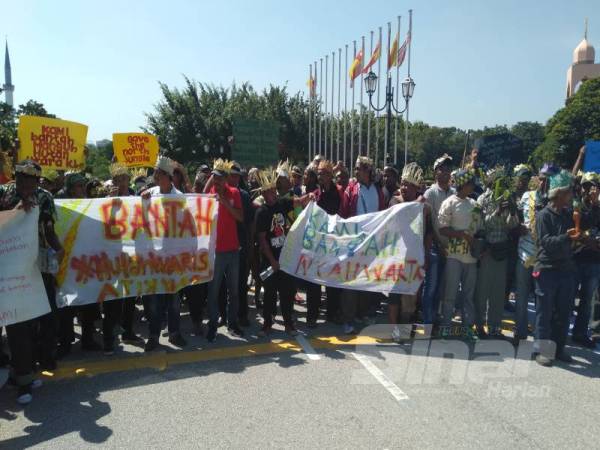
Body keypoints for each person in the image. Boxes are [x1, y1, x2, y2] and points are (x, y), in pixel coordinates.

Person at [0, 160, 64, 404]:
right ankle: (23, 381)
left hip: (37, 269)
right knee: (17, 324)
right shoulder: (3, 194)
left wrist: (59, 250)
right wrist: (16, 210)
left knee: (38, 318)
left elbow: (48, 229)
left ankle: (26, 370)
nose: (24, 182)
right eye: (20, 177)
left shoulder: (45, 197)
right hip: (8, 271)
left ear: (38, 181)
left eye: (30, 179)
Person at [254, 168, 314, 336]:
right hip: (269, 260)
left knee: (287, 293)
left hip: (285, 258)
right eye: (269, 191)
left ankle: (289, 324)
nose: (273, 193)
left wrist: (308, 197)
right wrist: (272, 261)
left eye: (274, 190)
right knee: (270, 294)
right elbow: (262, 240)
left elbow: (298, 201)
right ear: (264, 194)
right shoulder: (262, 212)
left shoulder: (282, 203)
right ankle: (267, 324)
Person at [533, 170, 580, 366]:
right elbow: (546, 242)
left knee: (563, 311)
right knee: (545, 311)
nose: (571, 196)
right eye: (569, 192)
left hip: (566, 269)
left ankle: (559, 348)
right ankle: (542, 351)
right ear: (559, 194)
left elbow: (579, 228)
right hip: (547, 268)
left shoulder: (569, 214)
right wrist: (566, 237)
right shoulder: (544, 215)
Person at [140, 156, 187, 351]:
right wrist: (142, 201)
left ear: (168, 177)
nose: (155, 177)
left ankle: (175, 334)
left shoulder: (180, 198)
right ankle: (153, 336)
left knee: (174, 300)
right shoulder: (148, 195)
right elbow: (140, 220)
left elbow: (186, 226)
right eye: (155, 174)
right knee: (153, 302)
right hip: (154, 257)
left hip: (174, 257)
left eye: (159, 174)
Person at [56, 171, 103, 357]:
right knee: (66, 305)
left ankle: (88, 339)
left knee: (89, 303)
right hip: (67, 263)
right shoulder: (60, 205)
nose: (81, 189)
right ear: (70, 187)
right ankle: (65, 342)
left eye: (83, 186)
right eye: (77, 186)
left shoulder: (90, 204)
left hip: (87, 262)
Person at [102, 163, 144, 355]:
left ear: (129, 180)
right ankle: (109, 338)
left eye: (124, 179)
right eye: (117, 180)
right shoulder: (106, 201)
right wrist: (109, 202)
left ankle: (127, 331)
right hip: (112, 256)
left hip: (131, 254)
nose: (121, 183)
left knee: (129, 297)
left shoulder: (135, 199)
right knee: (111, 298)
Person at [340, 156, 385, 334]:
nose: (356, 171)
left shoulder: (378, 191)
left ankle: (362, 314)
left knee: (367, 280)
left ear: (368, 171)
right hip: (353, 243)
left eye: (359, 168)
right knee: (350, 282)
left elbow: (383, 216)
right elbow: (343, 216)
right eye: (356, 168)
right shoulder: (350, 190)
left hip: (372, 244)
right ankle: (348, 319)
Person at [474, 167, 520, 339]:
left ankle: (494, 327)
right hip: (487, 251)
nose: (498, 184)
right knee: (482, 292)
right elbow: (481, 225)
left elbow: (511, 225)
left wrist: (513, 211)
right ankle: (479, 325)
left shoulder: (507, 197)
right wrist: (497, 211)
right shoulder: (482, 199)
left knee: (498, 294)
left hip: (502, 250)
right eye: (496, 180)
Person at [389, 163, 433, 341]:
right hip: (395, 257)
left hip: (414, 260)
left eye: (409, 185)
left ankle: (404, 328)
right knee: (393, 296)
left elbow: (428, 234)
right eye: (403, 183)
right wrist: (417, 204)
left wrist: (427, 255)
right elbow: (401, 214)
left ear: (417, 188)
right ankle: (393, 330)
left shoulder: (426, 208)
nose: (404, 187)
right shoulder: (394, 201)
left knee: (410, 298)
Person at [438, 169, 482, 340]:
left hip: (471, 257)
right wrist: (462, 235)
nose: (473, 186)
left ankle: (467, 329)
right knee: (450, 294)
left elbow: (480, 229)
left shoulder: (475, 205)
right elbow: (443, 228)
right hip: (454, 256)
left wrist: (478, 241)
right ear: (463, 185)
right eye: (470, 183)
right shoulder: (449, 203)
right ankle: (446, 327)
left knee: (468, 295)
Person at [203, 158, 244, 342]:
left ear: (226, 179)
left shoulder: (234, 193)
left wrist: (225, 202)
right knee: (213, 290)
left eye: (220, 178)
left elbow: (240, 217)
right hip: (216, 252)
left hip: (233, 250)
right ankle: (213, 324)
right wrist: (211, 183)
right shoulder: (208, 196)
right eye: (214, 178)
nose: (217, 182)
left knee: (233, 291)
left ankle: (232, 323)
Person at [305, 160, 346, 327]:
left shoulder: (339, 192)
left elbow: (343, 214)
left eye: (323, 174)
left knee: (332, 280)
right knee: (313, 281)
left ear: (330, 175)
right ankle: (312, 316)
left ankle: (332, 313)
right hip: (316, 243)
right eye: (319, 174)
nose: (320, 177)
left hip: (333, 243)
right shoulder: (314, 193)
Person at [514, 168, 550, 344]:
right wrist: (519, 225)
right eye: (542, 179)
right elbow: (517, 215)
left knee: (540, 299)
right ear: (537, 179)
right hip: (524, 253)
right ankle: (520, 331)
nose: (544, 183)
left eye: (548, 179)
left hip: (543, 258)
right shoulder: (527, 196)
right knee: (521, 295)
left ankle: (539, 334)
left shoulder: (554, 200)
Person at [422, 154, 455, 325]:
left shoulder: (454, 193)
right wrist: (439, 245)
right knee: (431, 287)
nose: (446, 172)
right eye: (443, 169)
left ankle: (435, 317)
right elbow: (429, 223)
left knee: (442, 289)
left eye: (449, 169)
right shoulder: (430, 193)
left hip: (451, 248)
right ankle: (428, 320)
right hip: (434, 247)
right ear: (436, 172)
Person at [571, 172, 600, 348]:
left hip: (595, 259)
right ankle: (558, 333)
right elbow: (577, 228)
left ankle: (580, 333)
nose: (590, 190)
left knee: (587, 300)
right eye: (587, 186)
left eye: (594, 186)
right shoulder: (577, 206)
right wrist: (587, 240)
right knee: (568, 297)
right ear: (582, 188)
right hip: (575, 258)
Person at [226, 161, 254, 327]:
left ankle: (242, 315)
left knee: (241, 284)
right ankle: (226, 315)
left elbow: (250, 222)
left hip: (241, 245)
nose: (234, 178)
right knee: (225, 285)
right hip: (223, 245)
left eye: (237, 176)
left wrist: (250, 245)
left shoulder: (244, 195)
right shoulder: (219, 193)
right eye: (231, 175)